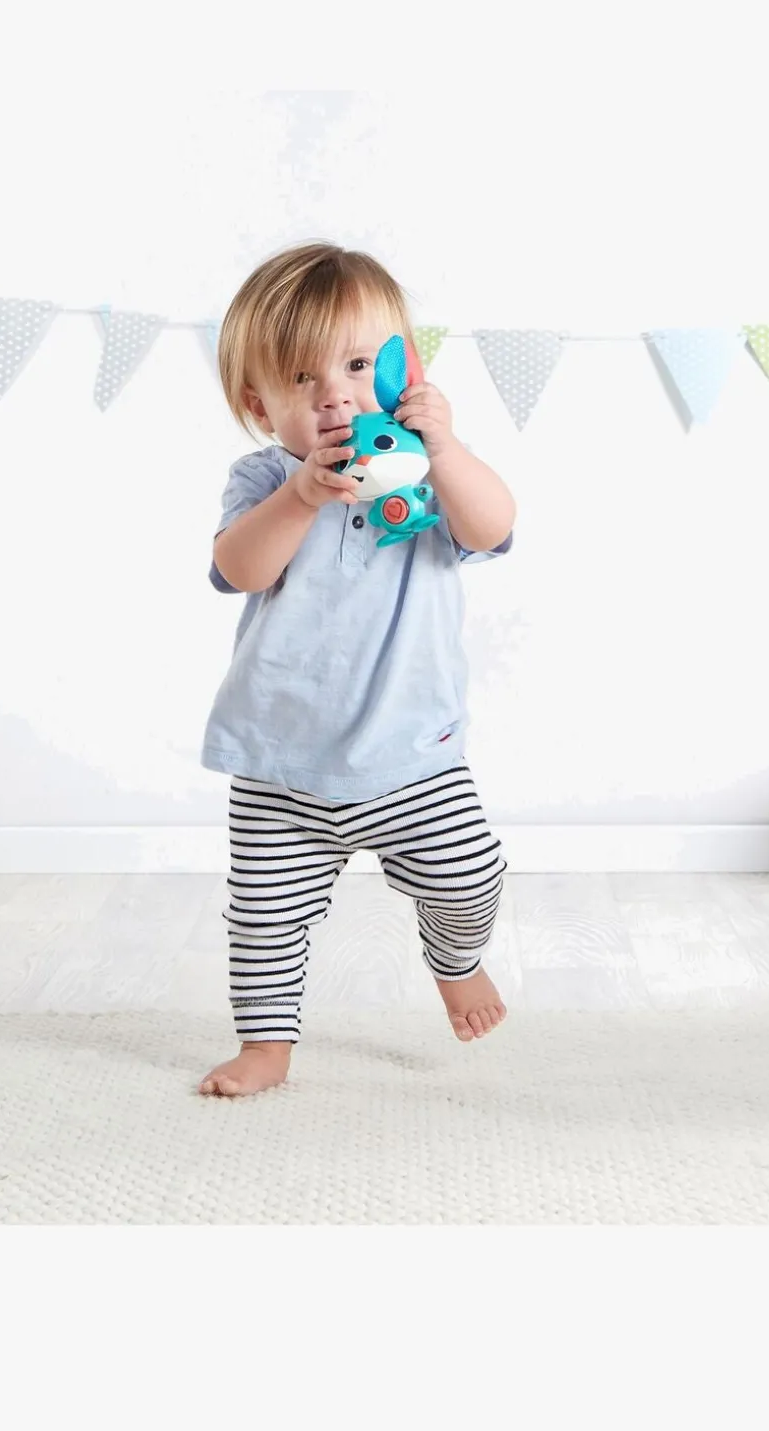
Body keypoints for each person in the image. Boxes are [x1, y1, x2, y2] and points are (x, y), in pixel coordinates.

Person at [198, 242, 516, 1096]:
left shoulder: (427, 470)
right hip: (280, 760)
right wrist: (300, 495)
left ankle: (456, 959)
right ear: (259, 403)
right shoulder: (264, 477)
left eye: (358, 365)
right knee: (263, 917)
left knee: (470, 876)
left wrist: (445, 449)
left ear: (406, 370)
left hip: (412, 754)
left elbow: (492, 527)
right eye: (303, 378)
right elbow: (240, 568)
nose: (335, 394)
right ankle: (266, 1045)